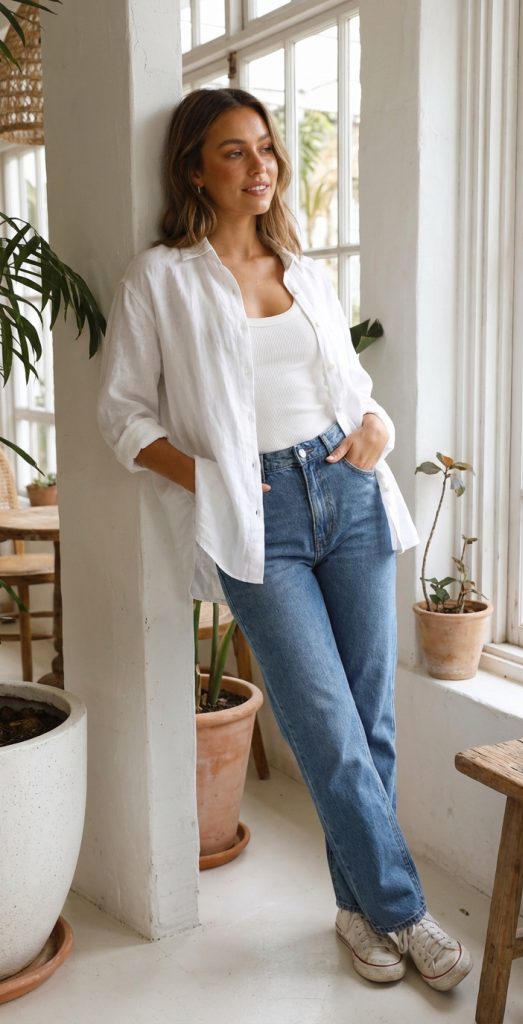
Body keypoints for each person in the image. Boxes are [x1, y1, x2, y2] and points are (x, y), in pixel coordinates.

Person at [97, 87, 472, 992]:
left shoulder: (304, 271)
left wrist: (378, 426)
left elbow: (349, 389)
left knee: (371, 723)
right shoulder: (161, 279)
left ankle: (358, 909)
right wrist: (211, 476)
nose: (259, 165)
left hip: (348, 493)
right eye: (234, 151)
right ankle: (404, 911)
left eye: (265, 147)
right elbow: (123, 417)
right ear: (195, 170)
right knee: (326, 728)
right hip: (256, 517)